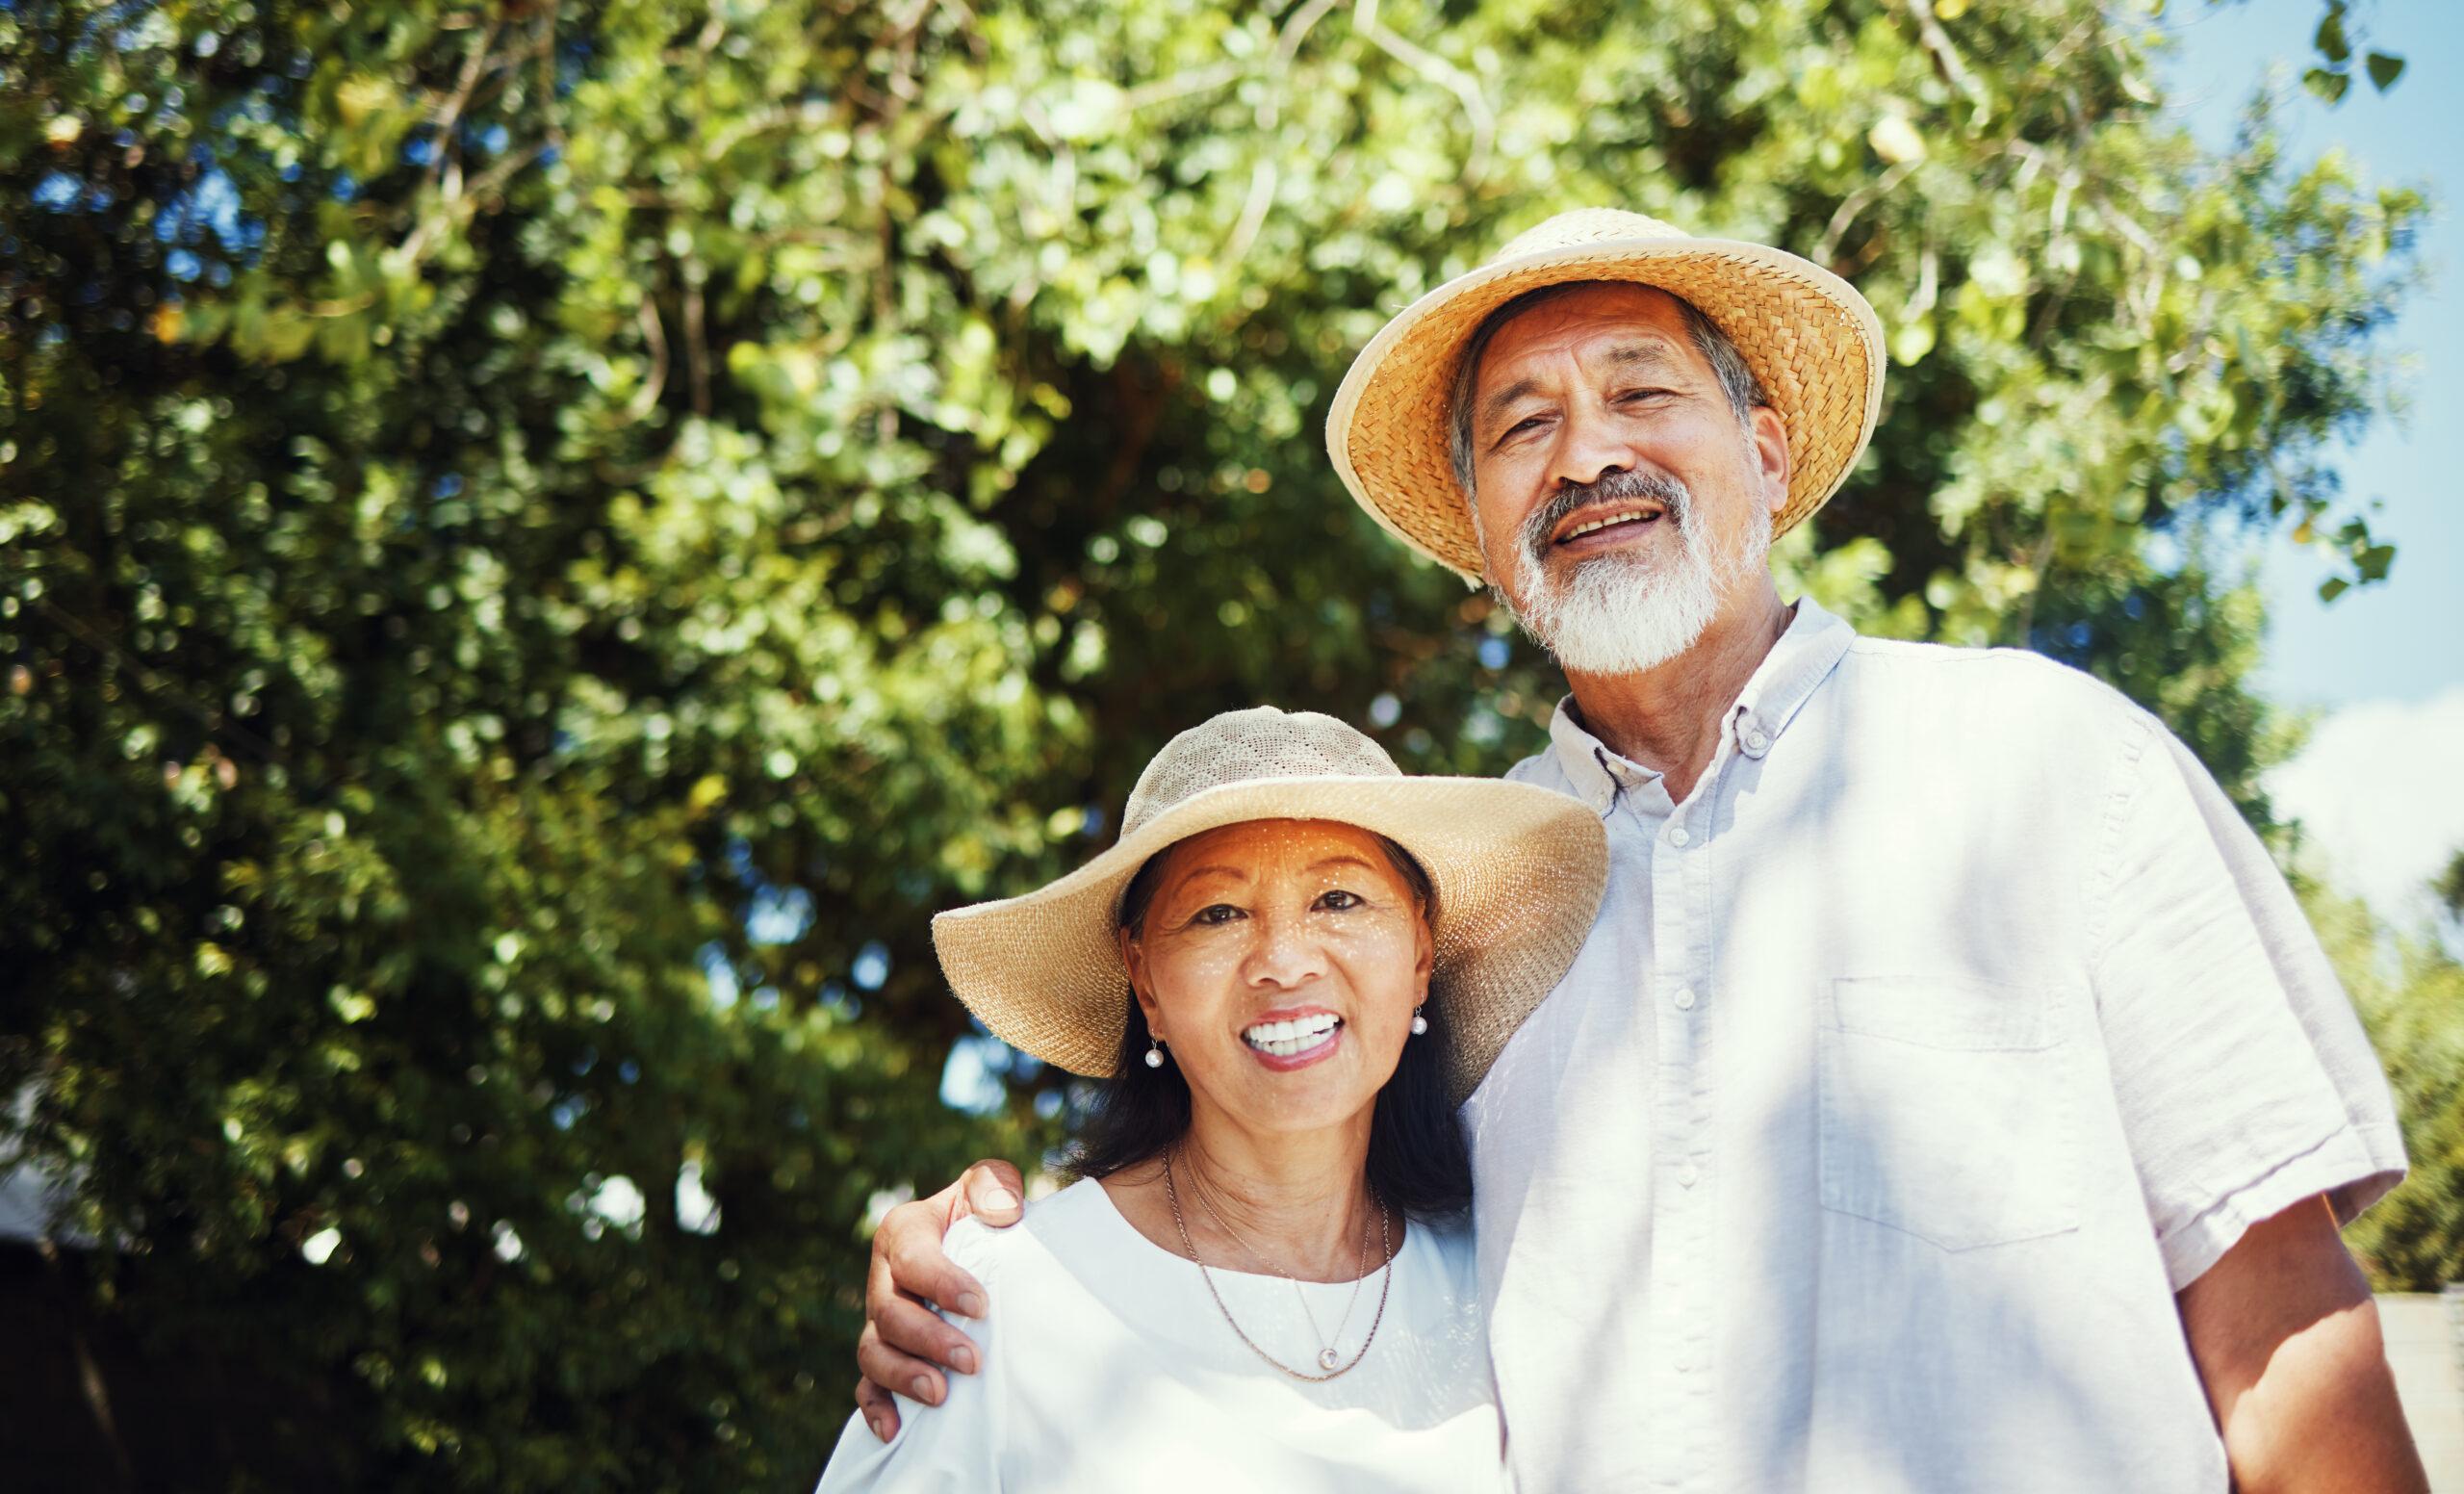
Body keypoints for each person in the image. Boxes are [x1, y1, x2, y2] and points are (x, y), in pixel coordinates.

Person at [856, 210, 2430, 1490]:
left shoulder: (2046, 761)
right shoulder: (1471, 918)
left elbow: (2285, 1324)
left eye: (1641, 390)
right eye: (1523, 425)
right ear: (1480, 530)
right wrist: (1001, 1252)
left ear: (1764, 447)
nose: (1586, 452)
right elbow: (1288, 1208)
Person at [816, 706, 1607, 1491]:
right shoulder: (998, 1302)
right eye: (1217, 913)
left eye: (1339, 900)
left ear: (1422, 954)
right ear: (1145, 981)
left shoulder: (1507, 1273)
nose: (1285, 962)